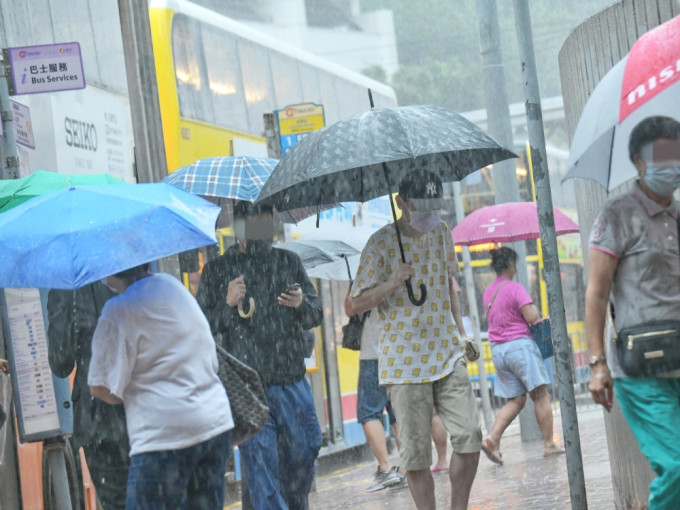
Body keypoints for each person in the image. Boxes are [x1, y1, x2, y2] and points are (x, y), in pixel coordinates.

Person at [349, 169, 482, 510]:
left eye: (434, 207)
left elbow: (449, 286)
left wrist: (462, 331)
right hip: (404, 366)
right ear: (401, 202)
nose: (430, 215)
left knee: (469, 437)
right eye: (422, 207)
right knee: (417, 457)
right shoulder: (379, 244)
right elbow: (353, 304)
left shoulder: (441, 233)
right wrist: (392, 282)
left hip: (447, 355)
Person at [197, 201, 323, 510]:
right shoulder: (217, 270)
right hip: (249, 390)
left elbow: (315, 313)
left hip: (292, 381)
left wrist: (300, 305)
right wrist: (226, 303)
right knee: (262, 468)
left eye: (267, 222)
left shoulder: (288, 261)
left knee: (305, 451)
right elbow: (200, 326)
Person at [586, 116, 680, 510]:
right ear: (638, 164)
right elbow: (596, 292)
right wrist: (596, 364)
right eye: (661, 155)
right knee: (676, 466)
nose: (671, 164)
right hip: (640, 369)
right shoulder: (617, 214)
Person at [88, 263, 233, 509]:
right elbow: (208, 354)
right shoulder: (173, 287)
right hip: (214, 426)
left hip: (164, 438)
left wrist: (146, 392)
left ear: (111, 271)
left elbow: (100, 386)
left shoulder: (118, 310)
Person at [47, 283, 130, 510]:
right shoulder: (130, 273)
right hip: (142, 407)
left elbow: (60, 363)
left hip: (98, 419)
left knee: (119, 502)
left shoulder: (65, 289)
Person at [480, 247, 564, 465]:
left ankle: (493, 439)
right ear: (511, 265)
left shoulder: (489, 292)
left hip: (498, 350)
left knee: (516, 400)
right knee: (541, 394)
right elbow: (531, 316)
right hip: (520, 348)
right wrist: (533, 306)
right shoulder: (515, 288)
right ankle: (549, 444)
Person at [345, 289, 405, 492]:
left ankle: (386, 468)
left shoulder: (365, 271)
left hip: (374, 353)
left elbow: (350, 307)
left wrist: (351, 287)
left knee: (369, 412)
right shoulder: (400, 266)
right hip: (401, 352)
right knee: (399, 414)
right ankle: (407, 469)